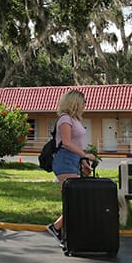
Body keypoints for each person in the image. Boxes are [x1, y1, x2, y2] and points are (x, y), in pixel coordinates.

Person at [46, 89, 96, 245]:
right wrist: (85, 155)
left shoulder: (74, 120)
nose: (85, 105)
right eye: (83, 102)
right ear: (75, 103)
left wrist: (84, 162)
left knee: (76, 200)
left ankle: (65, 230)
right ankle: (56, 227)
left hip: (74, 160)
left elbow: (77, 144)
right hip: (65, 161)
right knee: (74, 200)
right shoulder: (65, 119)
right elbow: (67, 143)